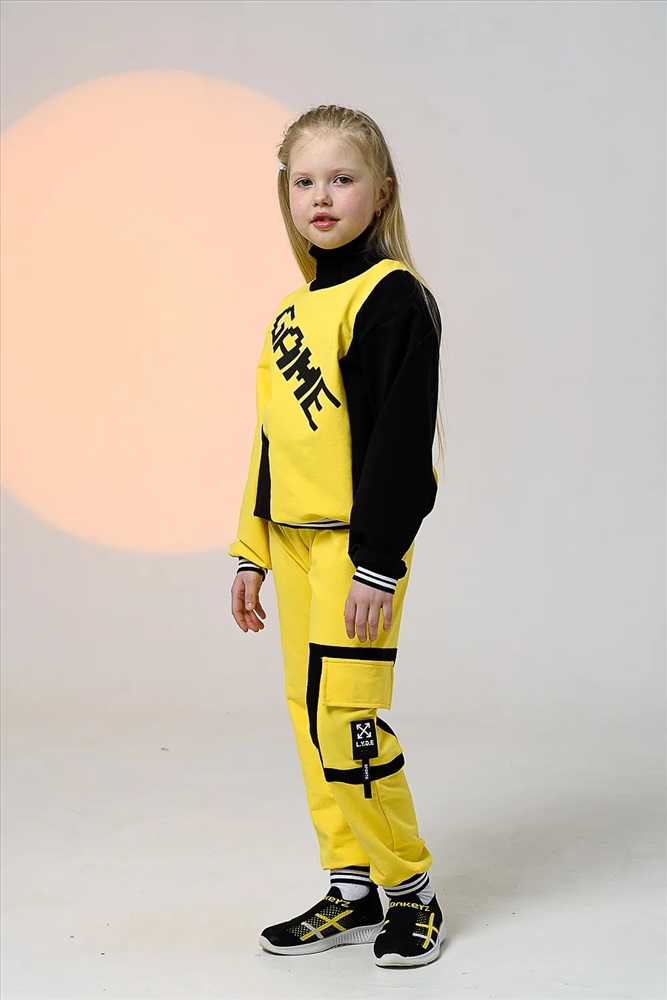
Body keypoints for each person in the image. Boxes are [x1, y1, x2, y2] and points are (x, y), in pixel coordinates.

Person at [229, 105, 445, 968]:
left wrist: (377, 564)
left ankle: (410, 891)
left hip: (356, 548)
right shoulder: (292, 309)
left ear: (380, 192)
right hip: (290, 543)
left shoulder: (392, 299)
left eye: (342, 179)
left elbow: (402, 446)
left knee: (346, 721)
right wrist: (250, 549)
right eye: (304, 181)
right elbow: (271, 439)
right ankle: (350, 887)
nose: (320, 197)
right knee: (306, 716)